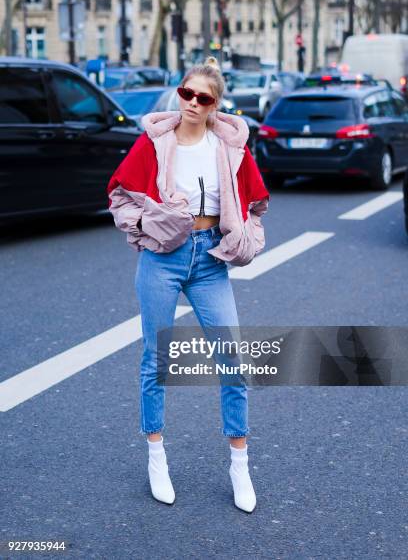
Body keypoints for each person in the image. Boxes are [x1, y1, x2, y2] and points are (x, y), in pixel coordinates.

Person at [107, 56, 270, 513]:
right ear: (178, 93)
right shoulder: (155, 142)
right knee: (155, 358)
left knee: (233, 362)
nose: (192, 103)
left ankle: (239, 464)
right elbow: (119, 193)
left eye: (203, 97)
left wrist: (245, 236)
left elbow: (255, 201)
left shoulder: (229, 147)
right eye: (186, 93)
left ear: (216, 104)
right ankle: (156, 456)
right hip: (162, 258)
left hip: (210, 258)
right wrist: (140, 227)